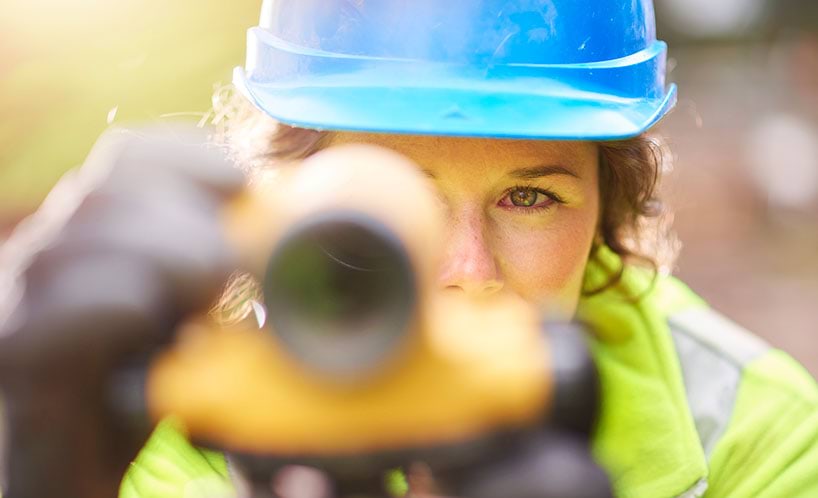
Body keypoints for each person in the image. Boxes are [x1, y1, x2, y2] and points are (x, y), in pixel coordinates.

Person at [2, 1, 817, 498]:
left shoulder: (756, 436)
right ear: (282, 198)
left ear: (611, 208)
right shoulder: (135, 419)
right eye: (397, 199)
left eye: (530, 197)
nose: (467, 271)